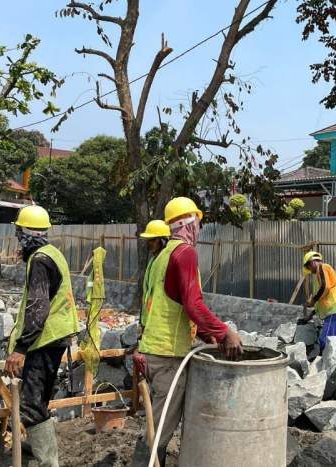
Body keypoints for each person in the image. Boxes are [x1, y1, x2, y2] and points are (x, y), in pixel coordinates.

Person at [131, 197, 243, 467]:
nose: (200, 228)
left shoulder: (161, 257)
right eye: (199, 222)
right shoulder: (185, 253)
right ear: (189, 223)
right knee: (158, 431)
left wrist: (208, 336)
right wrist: (224, 331)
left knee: (156, 422)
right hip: (167, 355)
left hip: (153, 350)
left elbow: (174, 305)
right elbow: (193, 304)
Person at [4, 205, 79, 467]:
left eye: (17, 233)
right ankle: (36, 457)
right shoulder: (51, 254)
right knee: (38, 401)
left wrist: (21, 349)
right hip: (53, 338)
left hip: (45, 339)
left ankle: (46, 462)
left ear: (25, 234)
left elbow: (38, 307)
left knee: (32, 404)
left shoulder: (39, 261)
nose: (16, 239)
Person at [300, 251, 336, 351]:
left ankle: (327, 364)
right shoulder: (319, 276)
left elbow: (325, 287)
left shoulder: (323, 267)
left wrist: (313, 300)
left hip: (335, 310)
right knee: (327, 341)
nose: (310, 271)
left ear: (312, 262)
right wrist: (310, 315)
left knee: (325, 341)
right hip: (333, 311)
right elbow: (322, 300)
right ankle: (327, 362)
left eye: (309, 267)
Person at [139, 219, 170, 331]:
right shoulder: (152, 261)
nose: (149, 243)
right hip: (148, 321)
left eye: (152, 240)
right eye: (148, 240)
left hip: (160, 324)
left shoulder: (167, 262)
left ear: (163, 240)